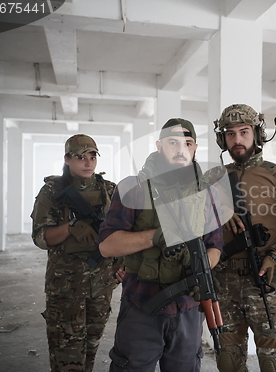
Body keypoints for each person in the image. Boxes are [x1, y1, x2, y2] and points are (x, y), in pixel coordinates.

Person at [98, 118, 223, 372]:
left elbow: (215, 246)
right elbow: (108, 246)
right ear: (159, 146)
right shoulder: (133, 188)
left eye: (187, 143)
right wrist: (157, 235)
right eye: (173, 142)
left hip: (188, 309)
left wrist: (199, 268)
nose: (181, 149)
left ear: (195, 147)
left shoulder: (209, 193)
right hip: (142, 306)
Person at [211, 104, 276, 372]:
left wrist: (275, 254)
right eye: (230, 134)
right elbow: (191, 224)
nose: (237, 140)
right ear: (222, 139)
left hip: (265, 281)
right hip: (222, 281)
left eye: (244, 132)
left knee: (272, 363)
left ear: (258, 133)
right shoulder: (211, 179)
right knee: (228, 362)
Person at [31, 134, 123, 372]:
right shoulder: (52, 191)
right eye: (81, 157)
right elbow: (40, 237)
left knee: (91, 350)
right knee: (67, 356)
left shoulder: (109, 191)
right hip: (66, 288)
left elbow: (124, 233)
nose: (88, 162)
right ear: (67, 159)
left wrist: (122, 265)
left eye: (92, 156)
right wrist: (70, 228)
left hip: (101, 286)